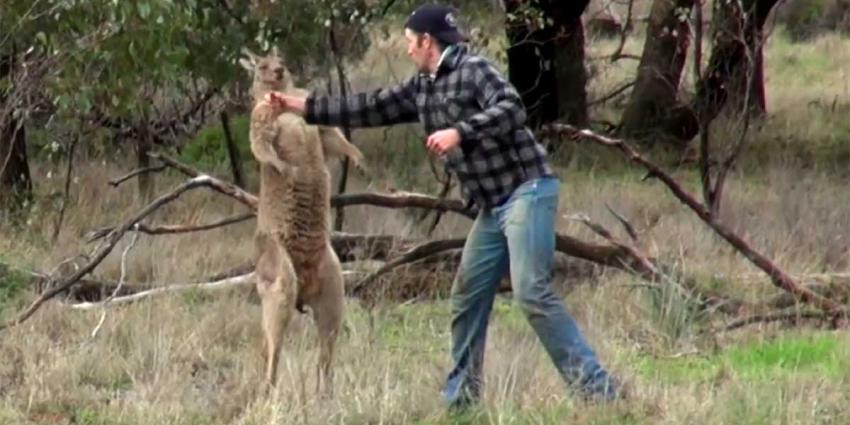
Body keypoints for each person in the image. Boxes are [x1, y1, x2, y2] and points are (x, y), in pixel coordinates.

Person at [264, 3, 618, 408]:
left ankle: (599, 393)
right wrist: (297, 106)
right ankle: (462, 401)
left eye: (410, 43)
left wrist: (460, 133)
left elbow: (512, 108)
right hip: (493, 206)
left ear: (427, 42)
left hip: (527, 191)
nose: (407, 50)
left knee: (532, 292)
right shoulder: (423, 86)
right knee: (467, 298)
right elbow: (368, 106)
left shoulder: (473, 70)